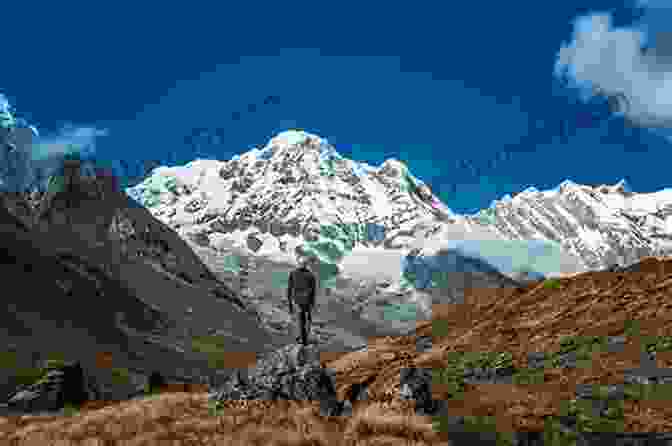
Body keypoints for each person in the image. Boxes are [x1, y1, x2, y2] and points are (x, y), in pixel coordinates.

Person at [287, 257, 317, 345]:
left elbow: (289, 288)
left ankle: (301, 339)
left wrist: (289, 302)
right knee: (305, 321)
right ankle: (304, 340)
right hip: (306, 301)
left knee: (299, 320)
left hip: (296, 300)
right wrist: (312, 303)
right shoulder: (311, 275)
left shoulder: (293, 273)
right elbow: (312, 291)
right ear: (306, 265)